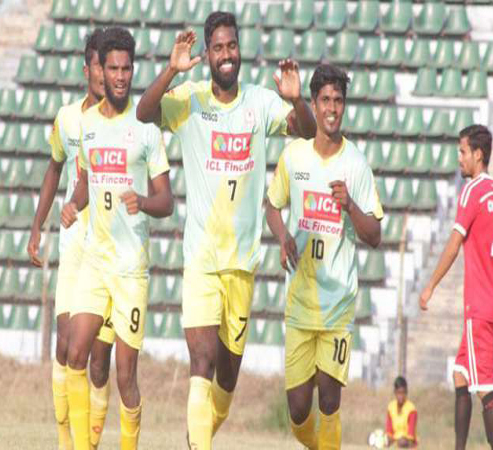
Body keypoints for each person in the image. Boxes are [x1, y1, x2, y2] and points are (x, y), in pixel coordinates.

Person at [136, 11, 316, 449]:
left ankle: (197, 435)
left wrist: (297, 101)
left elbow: (308, 133)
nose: (226, 54)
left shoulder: (260, 102)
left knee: (227, 380)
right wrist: (171, 70)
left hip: (241, 265)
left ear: (240, 48)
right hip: (201, 259)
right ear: (208, 53)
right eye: (217, 47)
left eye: (231, 45)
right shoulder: (191, 99)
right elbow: (144, 113)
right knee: (201, 360)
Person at [61, 26, 173, 450]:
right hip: (96, 261)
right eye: (114, 69)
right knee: (76, 353)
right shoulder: (87, 125)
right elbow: (85, 183)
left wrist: (142, 201)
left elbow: (167, 201)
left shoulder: (146, 129)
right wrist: (73, 204)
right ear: (101, 72)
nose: (121, 76)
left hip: (130, 270)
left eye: (127, 69)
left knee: (125, 375)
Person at [265, 63, 383, 449]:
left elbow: (375, 235)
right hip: (300, 303)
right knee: (298, 412)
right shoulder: (294, 156)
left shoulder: (356, 165)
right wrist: (283, 236)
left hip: (338, 306)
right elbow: (271, 206)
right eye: (326, 100)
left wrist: (350, 206)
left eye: (339, 101)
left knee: (330, 401)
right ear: (314, 105)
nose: (332, 109)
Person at [26, 28, 114, 450]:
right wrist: (36, 225)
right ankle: (68, 441)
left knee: (98, 362)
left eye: (109, 66)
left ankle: (89, 442)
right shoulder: (67, 119)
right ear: (87, 70)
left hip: (110, 247)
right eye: (98, 65)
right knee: (65, 347)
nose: (104, 74)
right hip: (74, 241)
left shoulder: (123, 122)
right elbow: (54, 168)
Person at [420, 125, 493, 450]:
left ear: (478, 155)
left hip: (478, 305)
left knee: (484, 386)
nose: (459, 158)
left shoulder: (472, 191)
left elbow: (454, 245)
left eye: (463, 151)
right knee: (461, 373)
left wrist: (430, 286)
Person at [385, 377, 418, 448]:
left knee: (402, 442)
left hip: (407, 443)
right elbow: (389, 430)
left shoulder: (411, 409)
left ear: (406, 392)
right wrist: (389, 439)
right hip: (394, 442)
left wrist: (400, 441)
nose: (401, 396)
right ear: (395, 392)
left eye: (404, 393)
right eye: (399, 393)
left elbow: (411, 435)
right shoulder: (391, 407)